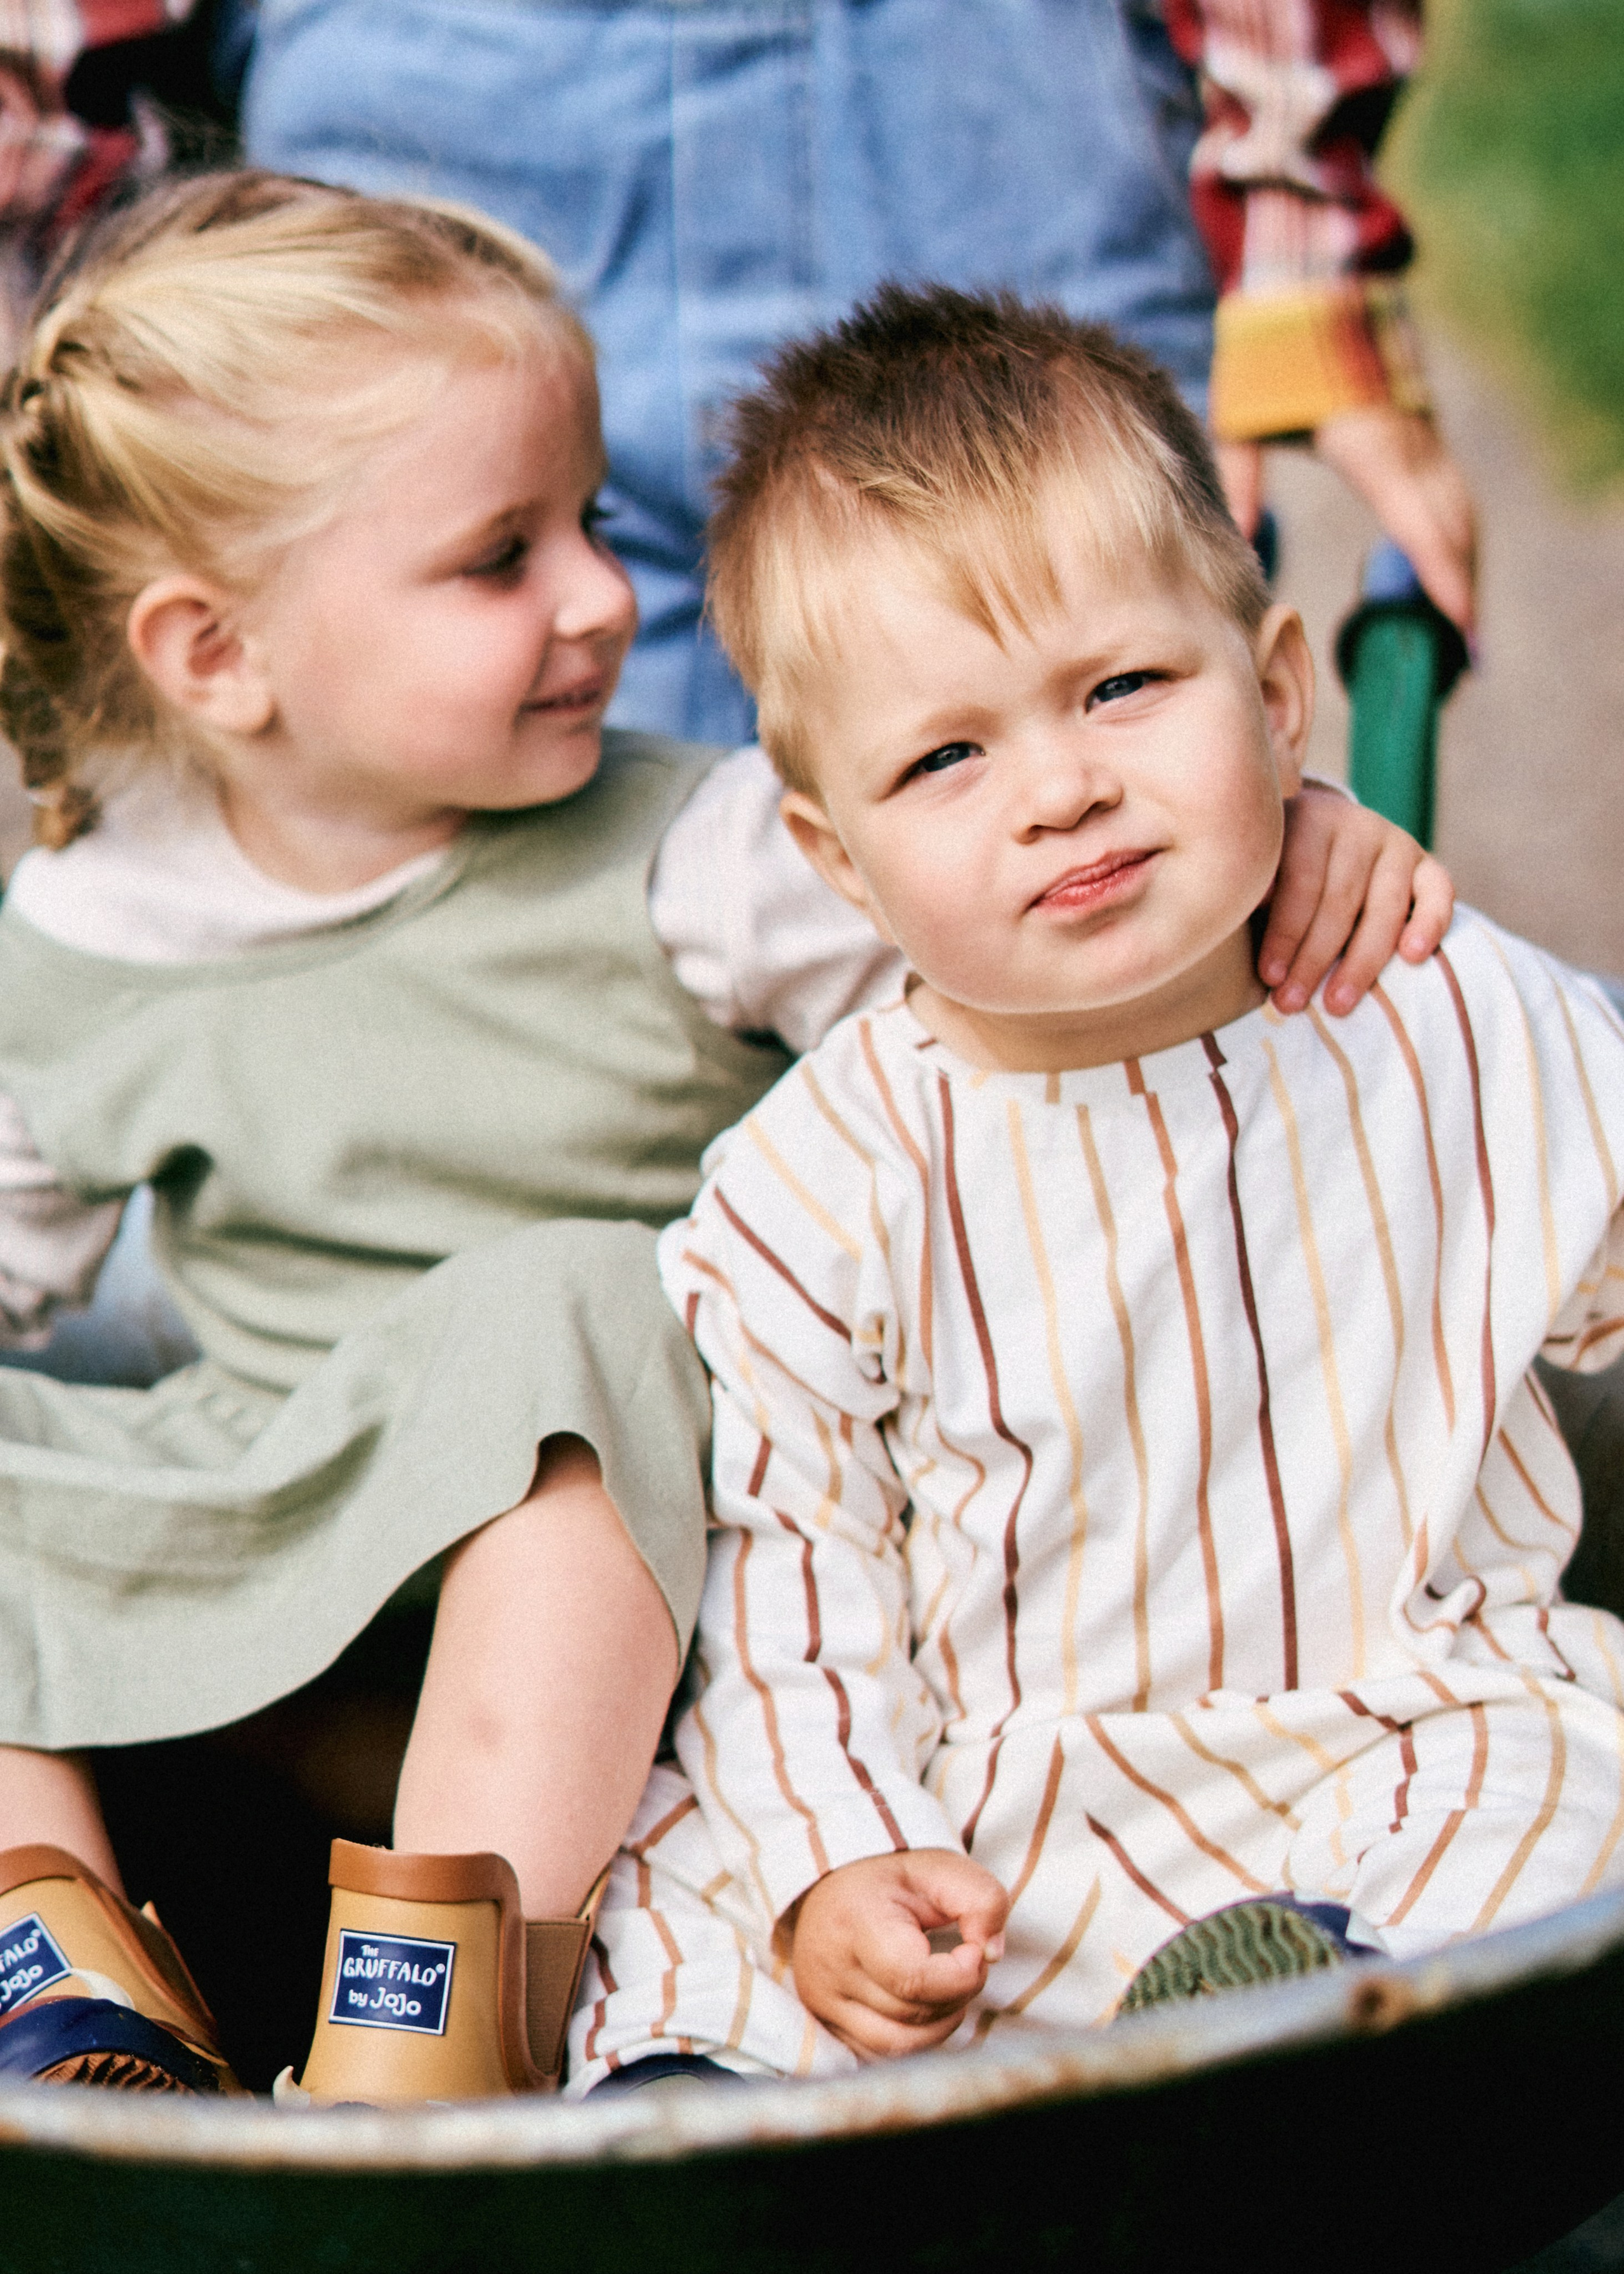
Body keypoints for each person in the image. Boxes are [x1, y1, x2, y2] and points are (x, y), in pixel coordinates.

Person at [0, 174, 1437, 2102]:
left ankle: (423, 2058)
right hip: (302, 1572)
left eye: (589, 522)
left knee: (566, 1302)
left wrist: (1287, 827)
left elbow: (1059, 923)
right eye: (500, 556)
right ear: (216, 656)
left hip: (655, 1559)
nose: (606, 596)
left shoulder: (704, 862)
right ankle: (66, 1984)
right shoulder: (87, 939)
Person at [569, 286, 1624, 2093]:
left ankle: (1318, 2034)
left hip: (1390, 1732)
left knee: (1566, 1778)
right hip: (983, 1802)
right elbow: (790, 1580)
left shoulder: (1448, 1014)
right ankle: (709, 2118)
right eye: (946, 757)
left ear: (1280, 696)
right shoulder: (814, 1190)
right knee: (697, 1891)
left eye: (1124, 688)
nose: (1061, 788)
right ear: (831, 853)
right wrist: (837, 1855)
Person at [240, 0, 1477, 747]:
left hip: (983, 86)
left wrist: (1302, 248)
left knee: (1111, 887)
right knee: (502, 948)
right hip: (436, 94)